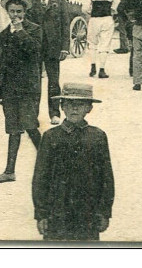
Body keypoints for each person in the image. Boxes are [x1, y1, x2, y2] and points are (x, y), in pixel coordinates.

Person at [32, 83, 114, 241]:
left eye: (80, 104)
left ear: (89, 108)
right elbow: (40, 177)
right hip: (57, 213)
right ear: (62, 107)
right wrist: (41, 214)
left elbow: (106, 177)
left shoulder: (97, 137)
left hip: (88, 214)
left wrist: (105, 212)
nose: (74, 109)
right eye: (69, 104)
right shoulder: (50, 137)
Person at [0, 0, 43, 184]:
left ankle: (50, 164)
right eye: (12, 11)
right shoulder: (4, 34)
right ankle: (9, 171)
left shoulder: (34, 30)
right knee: (13, 129)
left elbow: (35, 52)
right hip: (10, 90)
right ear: (7, 12)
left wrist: (20, 31)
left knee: (30, 126)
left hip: (28, 89)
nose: (15, 15)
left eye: (19, 11)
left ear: (25, 12)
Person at [26, 0, 74, 125]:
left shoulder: (60, 2)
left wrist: (64, 48)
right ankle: (33, 114)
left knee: (54, 81)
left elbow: (66, 26)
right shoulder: (32, 2)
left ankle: (54, 113)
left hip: (53, 47)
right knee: (34, 81)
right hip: (36, 46)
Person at [85, 0, 119, 79]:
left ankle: (93, 66)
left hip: (94, 19)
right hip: (107, 18)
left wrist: (90, 11)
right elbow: (117, 5)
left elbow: (85, 8)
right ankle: (102, 69)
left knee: (92, 44)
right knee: (105, 44)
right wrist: (112, 11)